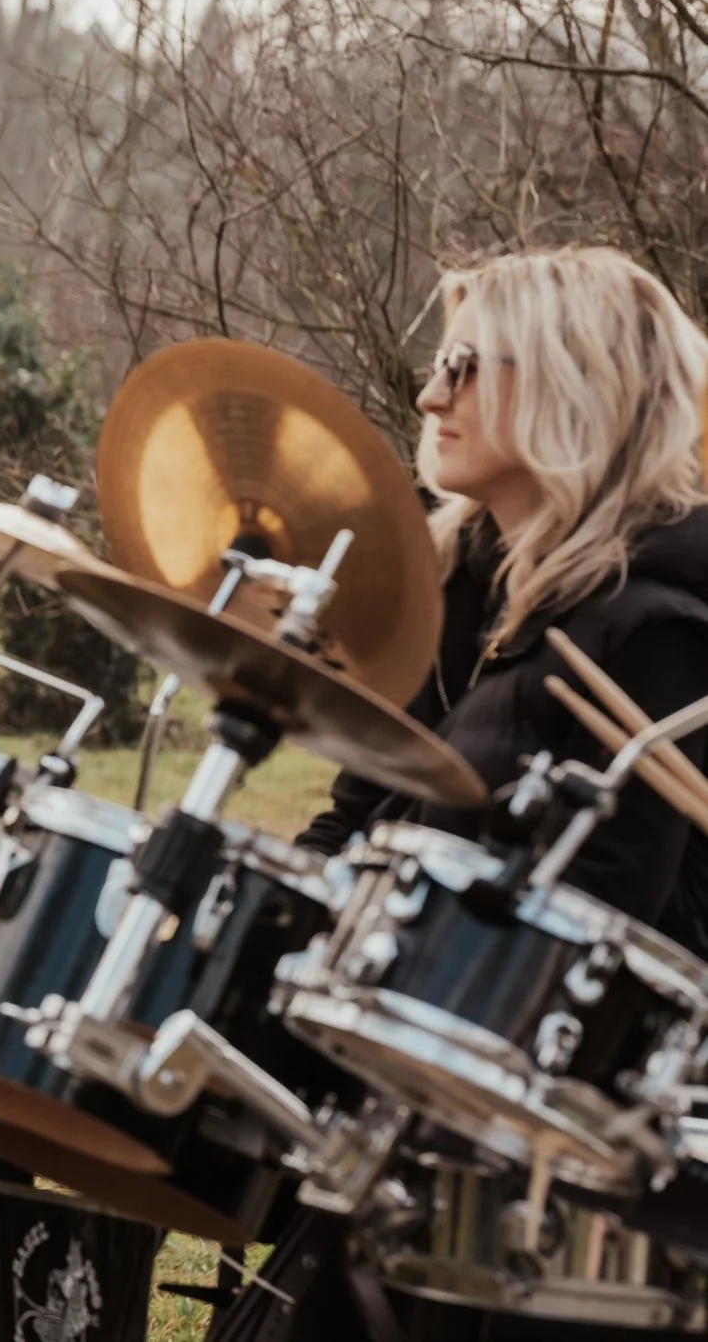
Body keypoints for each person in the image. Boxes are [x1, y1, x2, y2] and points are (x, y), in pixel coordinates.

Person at [220, 246, 708, 1340]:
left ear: (568, 382)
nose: (429, 393)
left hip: (552, 1182)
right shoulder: (462, 587)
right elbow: (360, 813)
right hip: (409, 1097)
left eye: (463, 365)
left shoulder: (658, 628)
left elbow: (595, 930)